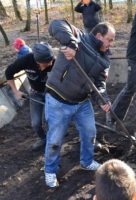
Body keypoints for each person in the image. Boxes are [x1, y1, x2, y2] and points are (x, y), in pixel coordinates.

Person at [44, 19, 115, 188]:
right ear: (99, 36)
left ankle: (87, 161)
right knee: (55, 139)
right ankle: (50, 170)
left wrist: (103, 99)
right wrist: (71, 45)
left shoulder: (105, 59)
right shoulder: (80, 38)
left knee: (90, 132)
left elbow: (99, 84)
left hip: (82, 102)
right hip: (58, 100)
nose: (111, 43)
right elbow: (56, 24)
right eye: (110, 39)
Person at [5, 42, 55, 151]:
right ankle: (43, 138)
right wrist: (16, 91)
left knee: (51, 119)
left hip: (52, 93)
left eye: (51, 61)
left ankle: (55, 139)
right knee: (36, 123)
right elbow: (8, 72)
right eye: (46, 63)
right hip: (35, 94)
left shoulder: (54, 62)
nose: (50, 64)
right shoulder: (26, 60)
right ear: (37, 61)